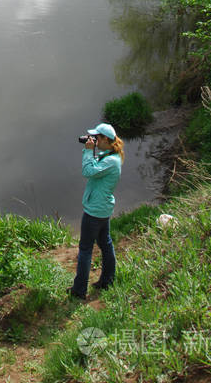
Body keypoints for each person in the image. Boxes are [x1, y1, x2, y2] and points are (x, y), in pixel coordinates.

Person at [68, 122, 124, 300]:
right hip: (102, 209)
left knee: (85, 249)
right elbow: (94, 168)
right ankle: (108, 280)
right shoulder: (110, 155)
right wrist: (93, 150)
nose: (94, 140)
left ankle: (79, 290)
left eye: (97, 137)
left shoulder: (110, 161)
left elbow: (87, 171)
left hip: (94, 211)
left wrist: (87, 151)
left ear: (106, 139)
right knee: (105, 244)